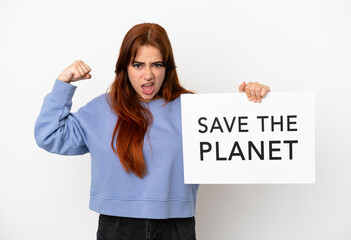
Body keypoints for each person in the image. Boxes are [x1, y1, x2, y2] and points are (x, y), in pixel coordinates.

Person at [34, 23, 270, 240]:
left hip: (175, 227)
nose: (148, 75)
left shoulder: (193, 108)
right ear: (124, 67)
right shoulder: (101, 109)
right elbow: (49, 135)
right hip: (117, 228)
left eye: (156, 64)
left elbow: (236, 147)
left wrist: (250, 103)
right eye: (138, 65)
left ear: (167, 68)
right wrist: (63, 84)